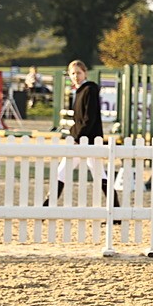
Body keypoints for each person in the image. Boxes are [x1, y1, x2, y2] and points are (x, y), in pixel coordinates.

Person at [44, 60, 118, 217]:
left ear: (85, 73)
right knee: (65, 171)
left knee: (92, 173)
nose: (75, 76)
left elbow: (89, 118)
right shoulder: (78, 91)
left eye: (78, 73)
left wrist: (77, 137)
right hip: (81, 138)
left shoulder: (89, 90)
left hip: (88, 140)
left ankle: (46, 208)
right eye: (72, 73)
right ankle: (46, 207)